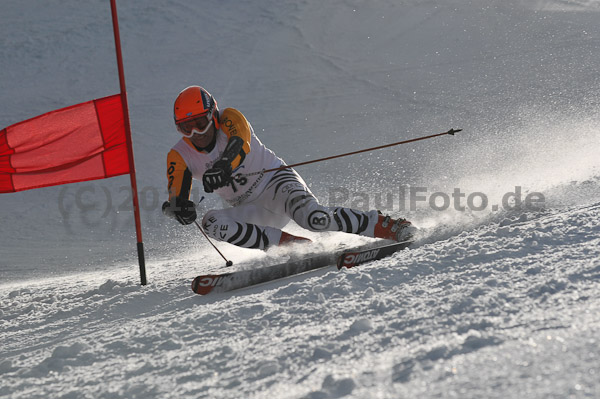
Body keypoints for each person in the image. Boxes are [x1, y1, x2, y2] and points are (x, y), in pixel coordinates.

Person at [162, 86, 416, 250]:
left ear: (213, 115)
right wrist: (179, 209)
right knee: (212, 223)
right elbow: (177, 196)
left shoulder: (230, 117)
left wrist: (225, 166)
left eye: (201, 123)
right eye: (187, 128)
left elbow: (240, 145)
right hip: (250, 208)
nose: (197, 133)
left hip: (277, 184)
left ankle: (388, 225)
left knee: (314, 219)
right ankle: (292, 247)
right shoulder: (179, 155)